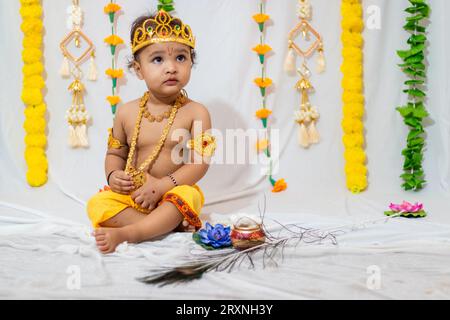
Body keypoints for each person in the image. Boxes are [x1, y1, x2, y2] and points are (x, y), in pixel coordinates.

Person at [86, 9, 216, 254]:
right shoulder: (125, 113)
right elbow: (115, 153)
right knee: (97, 204)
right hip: (134, 196)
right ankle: (166, 225)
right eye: (158, 60)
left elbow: (200, 164)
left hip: (171, 193)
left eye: (181, 58)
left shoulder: (196, 113)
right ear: (138, 69)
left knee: (188, 196)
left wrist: (162, 186)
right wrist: (113, 175)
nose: (171, 68)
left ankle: (131, 232)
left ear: (191, 62)